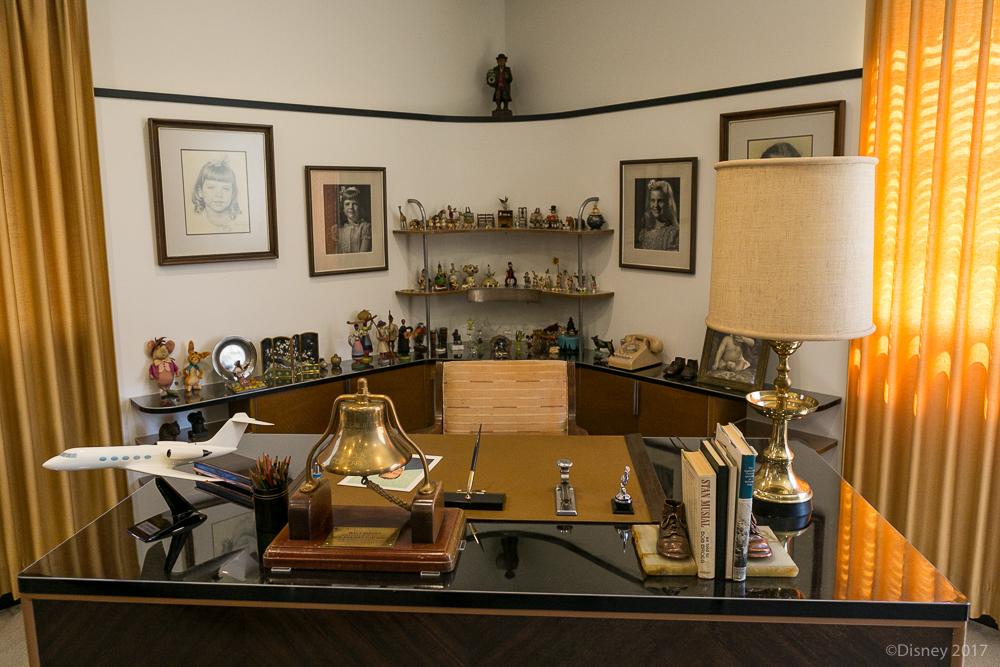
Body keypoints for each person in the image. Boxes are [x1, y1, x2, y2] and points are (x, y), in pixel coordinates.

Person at [189, 157, 246, 233]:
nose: (219, 195)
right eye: (211, 187)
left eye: (225, 189)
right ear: (200, 191)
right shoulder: (193, 225)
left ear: (233, 193)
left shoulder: (243, 224)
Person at [636, 180, 680, 251]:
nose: (656, 205)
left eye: (660, 201)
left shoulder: (674, 232)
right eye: (653, 200)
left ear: (668, 203)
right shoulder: (644, 232)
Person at [336, 186, 372, 254]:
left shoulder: (365, 227)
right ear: (343, 208)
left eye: (355, 204)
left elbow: (363, 255)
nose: (350, 207)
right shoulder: (341, 230)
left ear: (360, 207)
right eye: (347, 204)